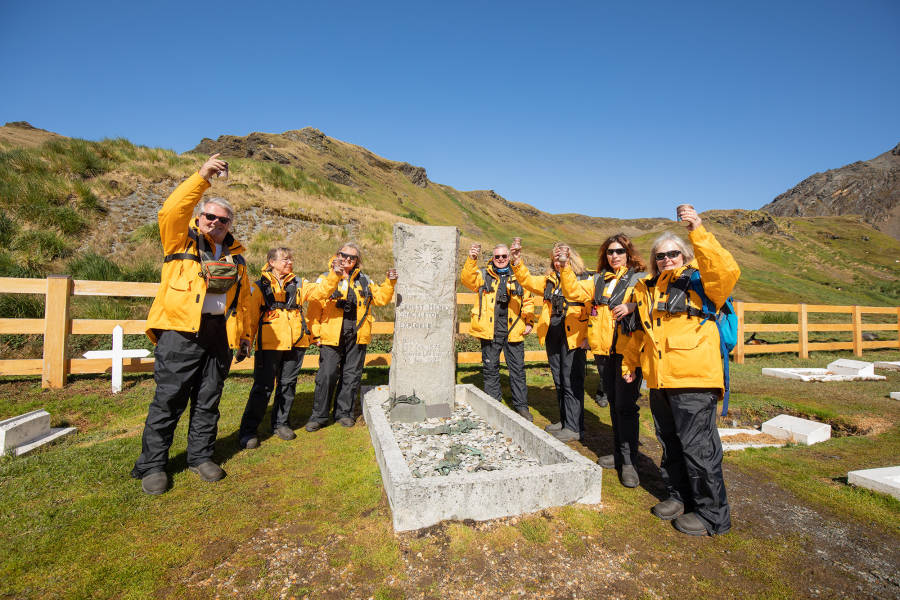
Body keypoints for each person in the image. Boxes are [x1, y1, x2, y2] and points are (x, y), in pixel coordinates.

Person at [131, 154, 252, 495]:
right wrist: (202, 177)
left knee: (209, 398)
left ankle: (200, 456)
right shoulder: (179, 242)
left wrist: (243, 337)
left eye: (224, 220)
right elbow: (170, 211)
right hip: (180, 332)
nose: (216, 222)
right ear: (200, 218)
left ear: (230, 225)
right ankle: (153, 464)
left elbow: (242, 301)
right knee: (168, 399)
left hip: (219, 335)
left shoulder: (236, 258)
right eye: (210, 216)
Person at [619, 205, 740, 536]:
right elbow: (641, 331)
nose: (666, 259)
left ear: (685, 254)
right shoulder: (647, 289)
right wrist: (631, 363)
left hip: (695, 379)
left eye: (673, 253)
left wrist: (697, 230)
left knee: (699, 447)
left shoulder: (703, 280)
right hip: (660, 380)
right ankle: (678, 495)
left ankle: (713, 514)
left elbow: (727, 270)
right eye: (660, 255)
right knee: (670, 441)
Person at [560, 234, 646, 487]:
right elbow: (573, 290)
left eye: (619, 251)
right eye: (610, 252)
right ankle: (620, 454)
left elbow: (652, 302)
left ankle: (630, 462)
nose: (614, 255)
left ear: (628, 253)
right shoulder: (598, 280)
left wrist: (633, 306)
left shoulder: (640, 279)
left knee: (627, 407)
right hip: (602, 351)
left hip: (627, 352)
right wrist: (565, 267)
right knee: (614, 404)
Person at [237, 248, 342, 449]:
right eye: (285, 259)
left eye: (291, 259)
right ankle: (248, 431)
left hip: (296, 344)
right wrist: (246, 340)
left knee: (288, 385)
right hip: (270, 345)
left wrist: (334, 275)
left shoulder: (300, 284)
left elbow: (322, 291)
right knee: (263, 388)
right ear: (271, 262)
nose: (289, 262)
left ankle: (280, 424)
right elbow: (250, 317)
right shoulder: (259, 287)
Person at [305, 243, 397, 431]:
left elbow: (380, 299)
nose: (347, 259)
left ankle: (344, 413)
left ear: (357, 261)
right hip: (331, 333)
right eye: (344, 255)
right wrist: (314, 333)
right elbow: (314, 305)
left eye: (352, 257)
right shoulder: (325, 278)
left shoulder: (363, 280)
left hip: (357, 332)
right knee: (327, 374)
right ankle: (319, 416)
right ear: (337, 255)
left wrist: (389, 282)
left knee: (351, 375)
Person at [510, 240, 590, 442]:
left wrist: (566, 268)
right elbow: (526, 281)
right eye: (555, 259)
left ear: (571, 258)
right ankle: (565, 421)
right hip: (553, 332)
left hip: (573, 335)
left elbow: (576, 295)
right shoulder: (549, 280)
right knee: (559, 378)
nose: (558, 262)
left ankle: (574, 427)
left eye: (562, 258)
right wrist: (517, 261)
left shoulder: (584, 278)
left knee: (571, 379)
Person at [460, 242, 536, 421]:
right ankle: (494, 405)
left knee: (517, 369)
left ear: (509, 258)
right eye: (497, 257)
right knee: (490, 368)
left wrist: (529, 320)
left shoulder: (519, 275)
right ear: (492, 258)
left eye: (504, 256)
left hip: (514, 329)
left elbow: (528, 300)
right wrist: (471, 259)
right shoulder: (484, 275)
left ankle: (521, 406)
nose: (501, 259)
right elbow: (467, 279)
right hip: (489, 331)